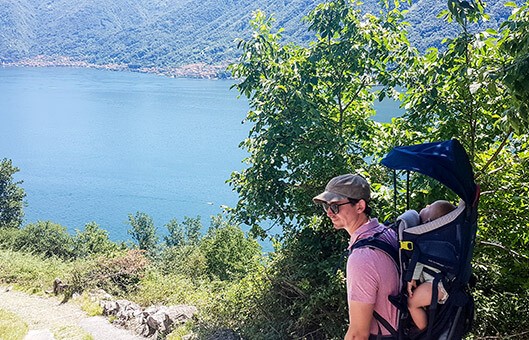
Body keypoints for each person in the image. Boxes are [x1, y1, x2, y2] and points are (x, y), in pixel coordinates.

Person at [313, 174, 399, 340]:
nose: (329, 213)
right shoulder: (385, 233)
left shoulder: (362, 258)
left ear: (360, 206)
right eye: (326, 206)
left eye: (335, 207)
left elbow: (357, 334)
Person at [407, 200, 456, 331]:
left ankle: (424, 330)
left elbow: (419, 259)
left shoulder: (429, 241)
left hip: (437, 284)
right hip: (444, 281)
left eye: (429, 208)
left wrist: (412, 278)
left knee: (412, 303)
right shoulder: (446, 240)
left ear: (429, 222)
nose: (426, 205)